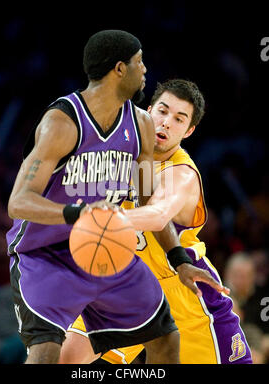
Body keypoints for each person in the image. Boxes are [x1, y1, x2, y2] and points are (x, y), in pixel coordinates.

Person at [6, 31, 227, 364]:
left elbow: (148, 205)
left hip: (108, 255)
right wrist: (78, 215)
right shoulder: (62, 123)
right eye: (139, 62)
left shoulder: (141, 128)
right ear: (119, 69)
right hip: (47, 254)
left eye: (179, 118)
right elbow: (18, 203)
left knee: (166, 340)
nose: (145, 69)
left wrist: (179, 258)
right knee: (49, 354)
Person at [60, 79, 252, 364]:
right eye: (162, 111)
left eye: (178, 119)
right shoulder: (119, 153)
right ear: (148, 111)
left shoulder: (182, 174)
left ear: (189, 131)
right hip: (124, 284)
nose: (165, 123)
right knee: (66, 358)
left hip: (182, 290)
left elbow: (159, 213)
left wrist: (104, 219)